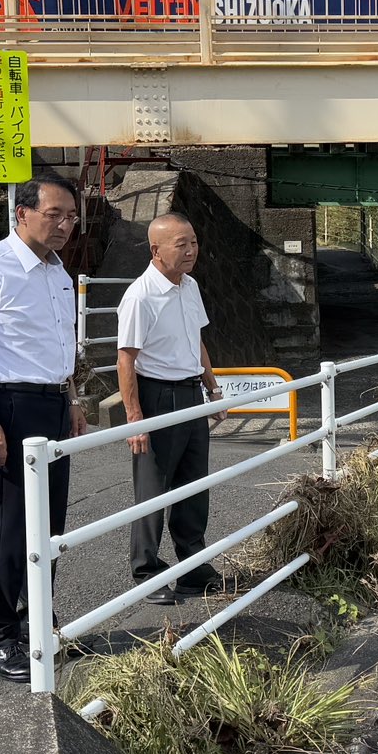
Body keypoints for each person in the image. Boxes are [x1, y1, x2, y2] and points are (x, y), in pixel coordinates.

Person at [0, 173, 85, 682]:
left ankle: (37, 622)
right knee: (12, 526)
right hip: (9, 404)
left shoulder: (59, 274)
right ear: (22, 213)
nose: (64, 226)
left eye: (70, 217)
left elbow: (60, 345)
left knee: (50, 522)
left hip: (53, 402)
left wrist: (71, 399)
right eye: (54, 215)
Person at [118, 212, 226, 599]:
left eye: (193, 242)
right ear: (156, 251)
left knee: (194, 484)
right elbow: (126, 359)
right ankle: (146, 570)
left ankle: (192, 564)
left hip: (189, 391)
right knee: (153, 488)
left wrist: (213, 390)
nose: (191, 251)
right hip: (156, 394)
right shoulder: (140, 295)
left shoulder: (189, 286)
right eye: (181, 244)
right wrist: (136, 420)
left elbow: (196, 341)